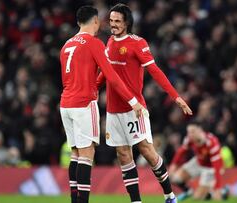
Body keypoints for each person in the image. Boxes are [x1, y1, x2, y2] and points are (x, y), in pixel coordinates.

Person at [96, 4, 193, 203]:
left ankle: (169, 195)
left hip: (135, 109)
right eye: (111, 20)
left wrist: (176, 97)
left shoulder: (137, 43)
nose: (112, 25)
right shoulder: (109, 42)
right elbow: (106, 74)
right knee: (123, 154)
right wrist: (91, 89)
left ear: (127, 23)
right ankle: (136, 201)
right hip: (114, 111)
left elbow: (155, 71)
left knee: (147, 151)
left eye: (117, 21)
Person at [59, 5, 145, 203]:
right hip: (83, 103)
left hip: (66, 104)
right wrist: (133, 101)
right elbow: (112, 77)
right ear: (95, 21)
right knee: (87, 153)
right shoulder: (94, 43)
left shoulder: (67, 45)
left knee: (75, 153)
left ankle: (74, 200)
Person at [169, 121, 229, 201]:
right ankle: (188, 191)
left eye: (192, 131)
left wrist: (217, 187)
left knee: (197, 198)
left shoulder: (212, 142)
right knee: (174, 178)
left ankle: (222, 191)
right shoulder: (189, 139)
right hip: (198, 162)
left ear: (200, 130)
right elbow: (181, 151)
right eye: (188, 132)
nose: (190, 134)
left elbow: (217, 167)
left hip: (210, 168)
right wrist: (173, 165)